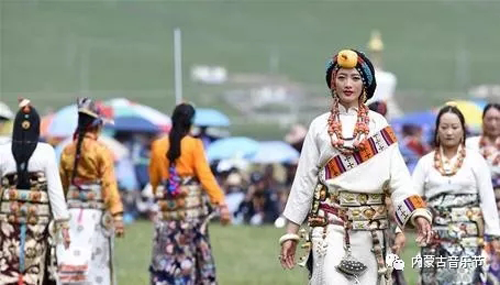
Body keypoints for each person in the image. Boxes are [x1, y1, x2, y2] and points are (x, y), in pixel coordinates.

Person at [278, 49, 433, 285]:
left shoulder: (378, 125)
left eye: (355, 78)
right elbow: (304, 180)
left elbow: (399, 179)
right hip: (329, 226)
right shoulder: (319, 126)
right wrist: (291, 231)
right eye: (341, 77)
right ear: (333, 82)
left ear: (365, 84)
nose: (348, 84)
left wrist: (417, 213)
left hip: (371, 229)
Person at [413, 104, 500, 284]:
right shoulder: (425, 163)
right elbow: (412, 199)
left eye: (454, 127)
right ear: (437, 130)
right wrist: (402, 228)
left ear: (463, 130)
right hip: (433, 240)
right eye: (444, 127)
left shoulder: (475, 161)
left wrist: (494, 236)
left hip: (467, 240)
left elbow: (487, 200)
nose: (449, 132)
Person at [148, 103, 231, 285]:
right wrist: (221, 203)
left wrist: (160, 195)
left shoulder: (158, 146)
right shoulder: (194, 145)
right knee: (193, 255)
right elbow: (205, 177)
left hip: (167, 214)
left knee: (166, 253)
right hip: (191, 215)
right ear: (190, 123)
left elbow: (154, 179)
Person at [0, 99, 70, 284]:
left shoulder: (3, 151)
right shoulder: (46, 151)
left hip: (8, 218)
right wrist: (63, 223)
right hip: (37, 220)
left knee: (8, 260)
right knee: (36, 261)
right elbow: (55, 189)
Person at [57, 97, 125, 285]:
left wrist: (58, 213)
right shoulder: (101, 151)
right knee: (96, 265)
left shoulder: (67, 151)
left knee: (69, 260)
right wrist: (117, 215)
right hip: (95, 216)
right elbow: (109, 184)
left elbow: (61, 185)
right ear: (97, 126)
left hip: (71, 214)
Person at [466, 103, 500, 283]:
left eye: (497, 119)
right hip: (475, 214)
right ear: (483, 121)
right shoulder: (470, 146)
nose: (493, 123)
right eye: (490, 119)